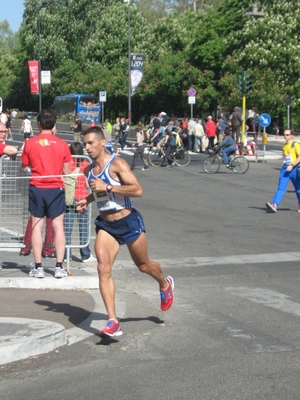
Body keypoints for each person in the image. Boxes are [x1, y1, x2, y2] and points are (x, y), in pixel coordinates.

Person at [76, 126, 174, 337]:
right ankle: (113, 321)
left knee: (144, 266)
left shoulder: (117, 164)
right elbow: (99, 192)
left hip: (128, 221)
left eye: (91, 143)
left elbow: (137, 190)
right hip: (106, 225)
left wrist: (108, 187)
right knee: (103, 269)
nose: (87, 147)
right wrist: (87, 199)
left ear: (102, 142)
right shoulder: (88, 170)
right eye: (85, 144)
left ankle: (164, 284)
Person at [20, 108, 72, 278]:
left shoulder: (30, 143)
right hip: (56, 187)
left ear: (39, 124)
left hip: (37, 187)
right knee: (58, 227)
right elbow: (66, 170)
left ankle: (38, 266)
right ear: (55, 124)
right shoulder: (63, 144)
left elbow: (24, 167)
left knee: (37, 226)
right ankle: (59, 266)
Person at [64, 142, 96, 263]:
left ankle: (67, 254)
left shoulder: (67, 164)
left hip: (69, 199)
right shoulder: (86, 164)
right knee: (84, 227)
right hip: (83, 198)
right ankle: (85, 255)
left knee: (67, 227)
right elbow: (89, 183)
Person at [266, 129, 300, 213]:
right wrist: (286, 165)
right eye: (284, 134)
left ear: (292, 135)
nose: (285, 136)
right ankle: (274, 204)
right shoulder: (284, 146)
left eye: (287, 135)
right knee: (281, 187)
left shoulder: (295, 145)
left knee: (298, 189)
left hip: (294, 169)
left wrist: (292, 165)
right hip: (285, 169)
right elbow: (286, 158)